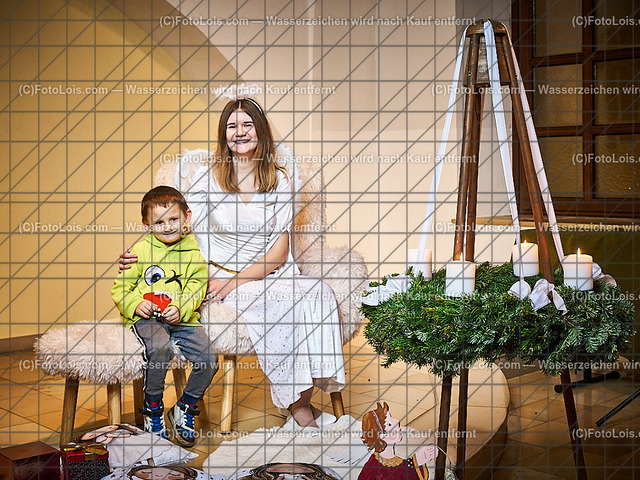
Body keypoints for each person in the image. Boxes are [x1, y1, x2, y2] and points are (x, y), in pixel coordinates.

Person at [119, 98, 345, 428]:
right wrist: (141, 252)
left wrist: (233, 282)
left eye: (247, 125)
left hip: (263, 273)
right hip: (216, 274)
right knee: (286, 305)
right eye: (232, 126)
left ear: (260, 130)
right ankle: (298, 408)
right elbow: (173, 224)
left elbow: (279, 252)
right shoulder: (206, 178)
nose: (240, 132)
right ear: (224, 135)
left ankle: (304, 400)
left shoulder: (279, 181)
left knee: (319, 293)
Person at [112, 186, 215, 447]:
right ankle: (153, 408)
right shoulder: (139, 251)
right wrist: (136, 304)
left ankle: (185, 406)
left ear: (187, 216)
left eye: (173, 219)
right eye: (159, 222)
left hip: (183, 320)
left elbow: (197, 288)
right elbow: (120, 289)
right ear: (147, 224)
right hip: (148, 320)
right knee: (160, 349)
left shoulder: (194, 253)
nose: (168, 227)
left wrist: (181, 308)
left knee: (209, 358)